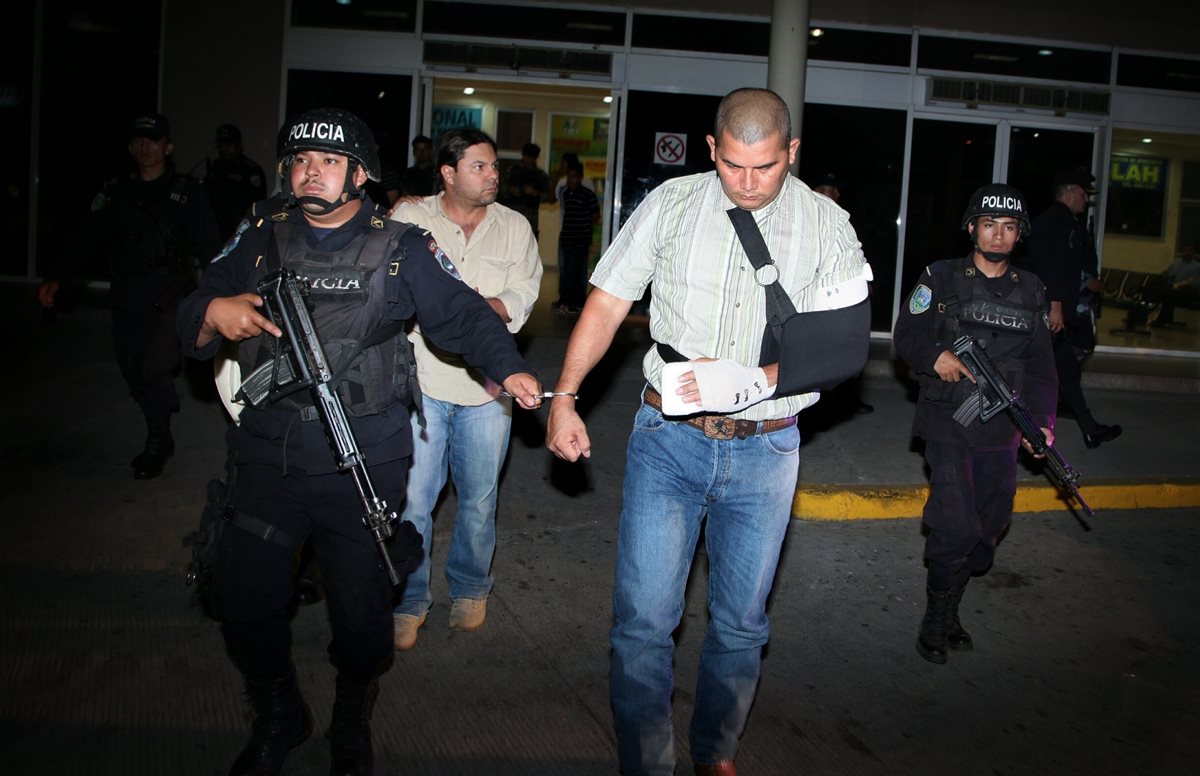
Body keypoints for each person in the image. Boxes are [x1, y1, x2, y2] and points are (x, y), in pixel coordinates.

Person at [175, 107, 542, 776]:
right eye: (300, 160)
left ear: (362, 173)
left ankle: (351, 718)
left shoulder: (400, 246)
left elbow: (461, 313)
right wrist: (209, 312)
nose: (311, 170)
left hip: (361, 464)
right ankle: (280, 714)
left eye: (330, 160)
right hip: (266, 455)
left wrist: (509, 365)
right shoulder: (260, 236)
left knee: (363, 616)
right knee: (244, 599)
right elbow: (195, 303)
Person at [546, 88, 870, 776]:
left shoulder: (827, 224)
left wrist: (755, 382)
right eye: (732, 166)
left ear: (792, 153)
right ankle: (647, 761)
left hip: (768, 447)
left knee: (742, 624)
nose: (748, 184)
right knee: (642, 623)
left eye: (765, 168)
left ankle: (716, 749)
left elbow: (844, 346)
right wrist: (565, 397)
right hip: (669, 439)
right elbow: (606, 303)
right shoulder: (672, 204)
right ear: (711, 149)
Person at [388, 128, 543, 650]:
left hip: (487, 388)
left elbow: (524, 292)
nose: (493, 174)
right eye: (479, 166)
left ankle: (471, 589)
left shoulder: (515, 227)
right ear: (448, 173)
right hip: (421, 383)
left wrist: (471, 313)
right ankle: (409, 600)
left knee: (478, 499)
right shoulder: (412, 219)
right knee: (413, 502)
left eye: (494, 165)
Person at [893, 183, 1058, 665]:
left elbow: (1044, 369)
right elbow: (905, 334)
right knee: (955, 521)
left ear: (1019, 235)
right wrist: (935, 354)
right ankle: (935, 616)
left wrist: (1043, 424)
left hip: (1001, 428)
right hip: (948, 419)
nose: (999, 235)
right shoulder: (940, 278)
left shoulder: (1032, 292)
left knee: (989, 528)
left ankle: (953, 604)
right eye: (989, 224)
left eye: (1009, 227)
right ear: (972, 228)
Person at [39, 112, 221, 480]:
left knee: (154, 365)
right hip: (127, 294)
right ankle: (158, 413)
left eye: (153, 140)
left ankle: (158, 438)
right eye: (138, 141)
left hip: (170, 293)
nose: (145, 147)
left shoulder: (186, 192)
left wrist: (219, 291)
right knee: (131, 368)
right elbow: (84, 239)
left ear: (167, 146)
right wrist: (58, 277)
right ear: (129, 147)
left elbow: (210, 242)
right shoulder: (115, 193)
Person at [1024, 168, 1121, 449]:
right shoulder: (1058, 221)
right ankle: (1022, 430)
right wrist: (1055, 306)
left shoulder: (1062, 221)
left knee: (1066, 369)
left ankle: (1089, 428)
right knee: (1040, 371)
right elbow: (1052, 267)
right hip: (1048, 311)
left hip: (1052, 311)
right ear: (1068, 192)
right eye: (1082, 194)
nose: (1085, 200)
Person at [810, 171, 875, 413]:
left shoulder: (843, 220)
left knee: (846, 350)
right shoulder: (804, 219)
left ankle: (847, 402)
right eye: (828, 191)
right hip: (813, 301)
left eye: (836, 191)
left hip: (840, 296)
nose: (834, 195)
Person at [203, 124, 268, 241]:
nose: (224, 148)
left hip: (240, 233)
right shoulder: (216, 168)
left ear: (239, 145)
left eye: (228, 144)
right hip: (215, 231)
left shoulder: (250, 170)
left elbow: (258, 208)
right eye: (221, 144)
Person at [553, 158, 600, 316]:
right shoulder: (565, 193)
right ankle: (570, 301)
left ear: (580, 178)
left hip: (581, 239)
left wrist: (584, 228)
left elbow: (595, 216)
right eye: (568, 176)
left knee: (575, 270)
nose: (570, 180)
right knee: (567, 270)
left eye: (574, 176)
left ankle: (571, 303)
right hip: (567, 238)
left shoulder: (588, 195)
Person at [501, 141, 549, 237]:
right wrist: (511, 190)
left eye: (530, 157)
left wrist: (534, 193)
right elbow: (500, 188)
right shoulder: (513, 170)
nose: (527, 160)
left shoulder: (540, 175)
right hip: (512, 215)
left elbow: (549, 198)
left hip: (530, 217)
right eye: (526, 156)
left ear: (535, 158)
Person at [1150, 245, 1200, 327]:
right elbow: (1167, 272)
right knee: (1151, 287)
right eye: (1185, 250)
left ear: (1193, 253)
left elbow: (1192, 281)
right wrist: (1162, 276)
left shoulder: (1197, 266)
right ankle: (1140, 315)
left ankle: (1161, 320)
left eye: (1190, 251)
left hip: (1187, 290)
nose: (1187, 253)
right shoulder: (1177, 261)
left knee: (1169, 293)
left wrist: (1177, 285)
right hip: (1172, 286)